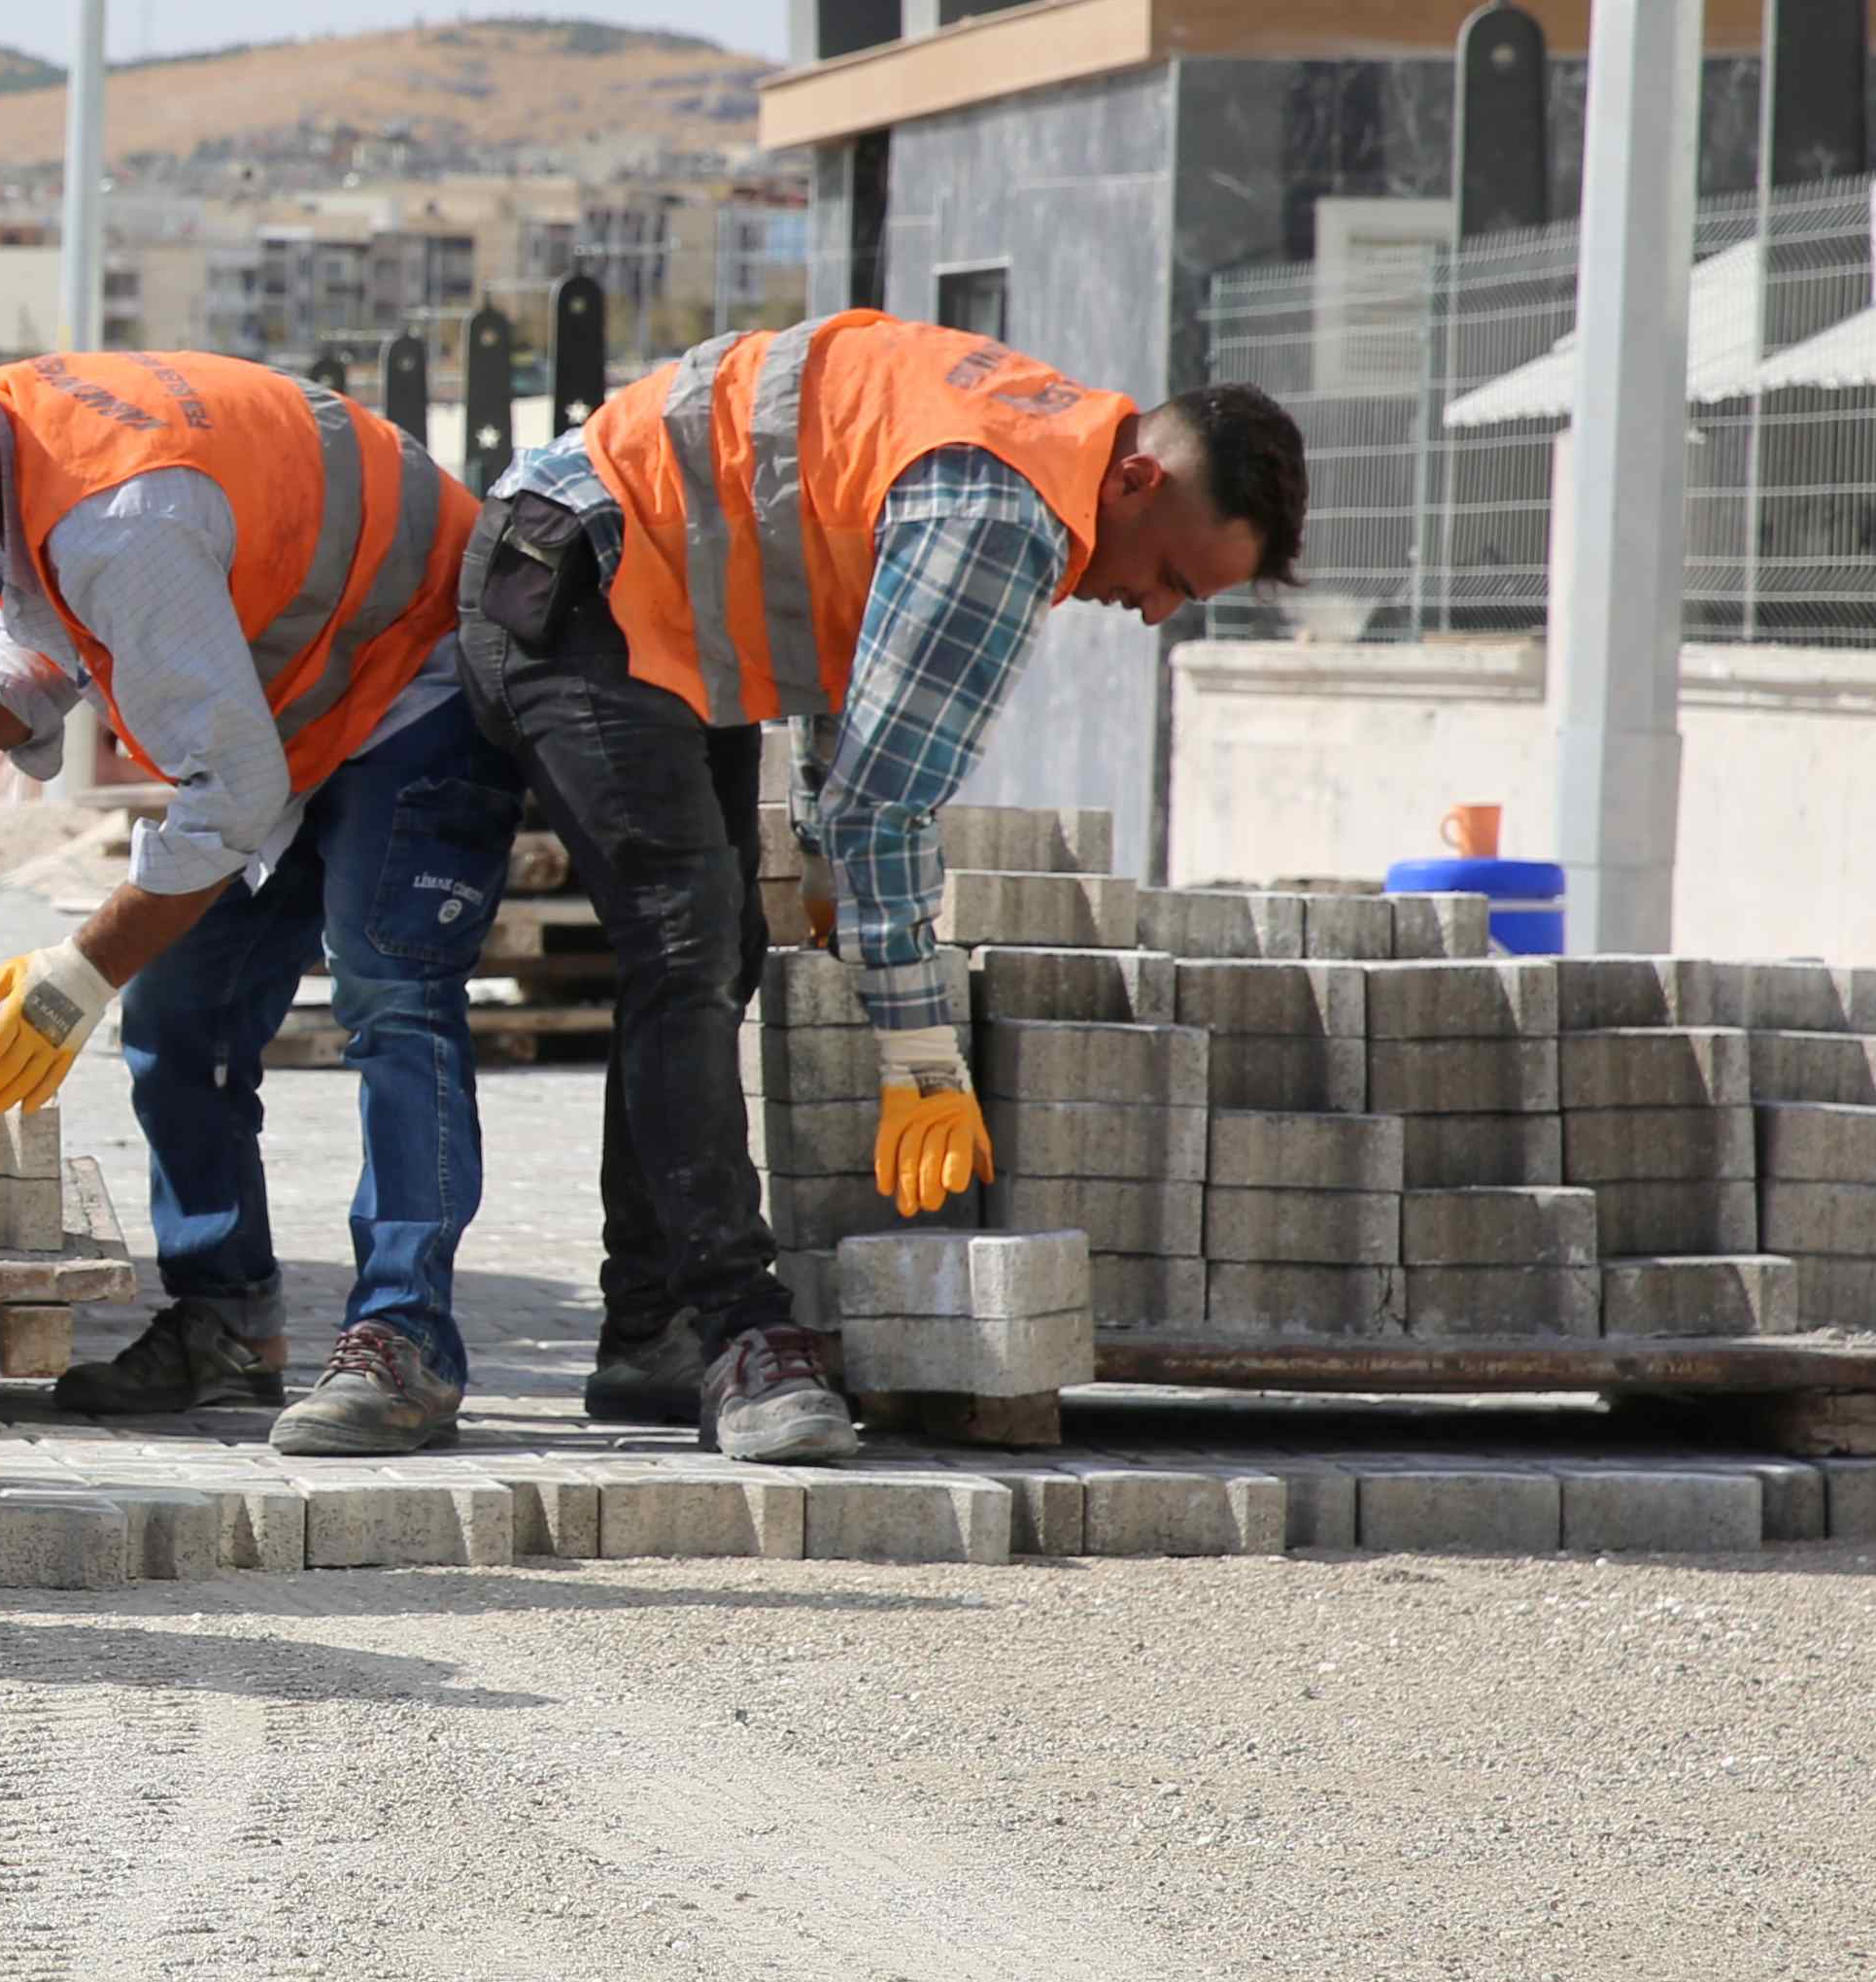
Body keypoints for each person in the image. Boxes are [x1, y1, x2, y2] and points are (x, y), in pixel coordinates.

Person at [462, 312, 1308, 1467]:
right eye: (1168, 574)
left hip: (639, 596)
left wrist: (820, 864)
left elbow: (840, 639)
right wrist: (919, 1055)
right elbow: (885, 807)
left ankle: (647, 1328)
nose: (1155, 610)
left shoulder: (1029, 440)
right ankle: (738, 1338)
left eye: (1186, 602)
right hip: (576, 580)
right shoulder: (1005, 510)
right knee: (688, 945)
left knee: (714, 958)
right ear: (1137, 479)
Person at [0, 336, 525, 1459]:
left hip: (422, 670)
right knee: (180, 1021)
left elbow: (228, 791)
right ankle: (225, 1324)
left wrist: (80, 972)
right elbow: (48, 647)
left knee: (393, 998)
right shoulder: (11, 449)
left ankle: (406, 1342)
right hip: (292, 705)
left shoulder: (119, 518)